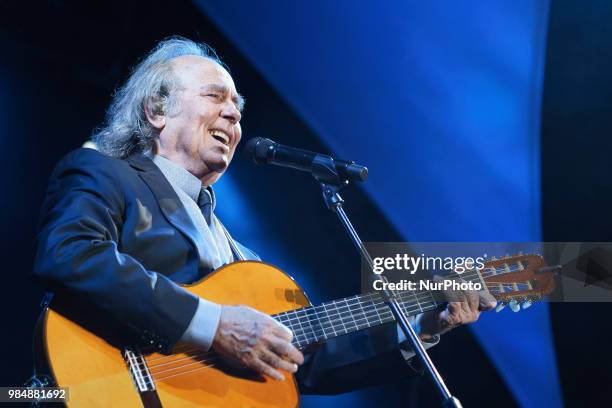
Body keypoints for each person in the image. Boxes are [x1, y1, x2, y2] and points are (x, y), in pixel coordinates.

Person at [33, 37, 496, 395]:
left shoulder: (241, 256)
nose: (233, 113)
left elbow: (311, 361)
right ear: (157, 109)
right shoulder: (104, 173)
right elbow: (71, 254)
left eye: (238, 106)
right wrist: (214, 325)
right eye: (216, 96)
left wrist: (424, 324)